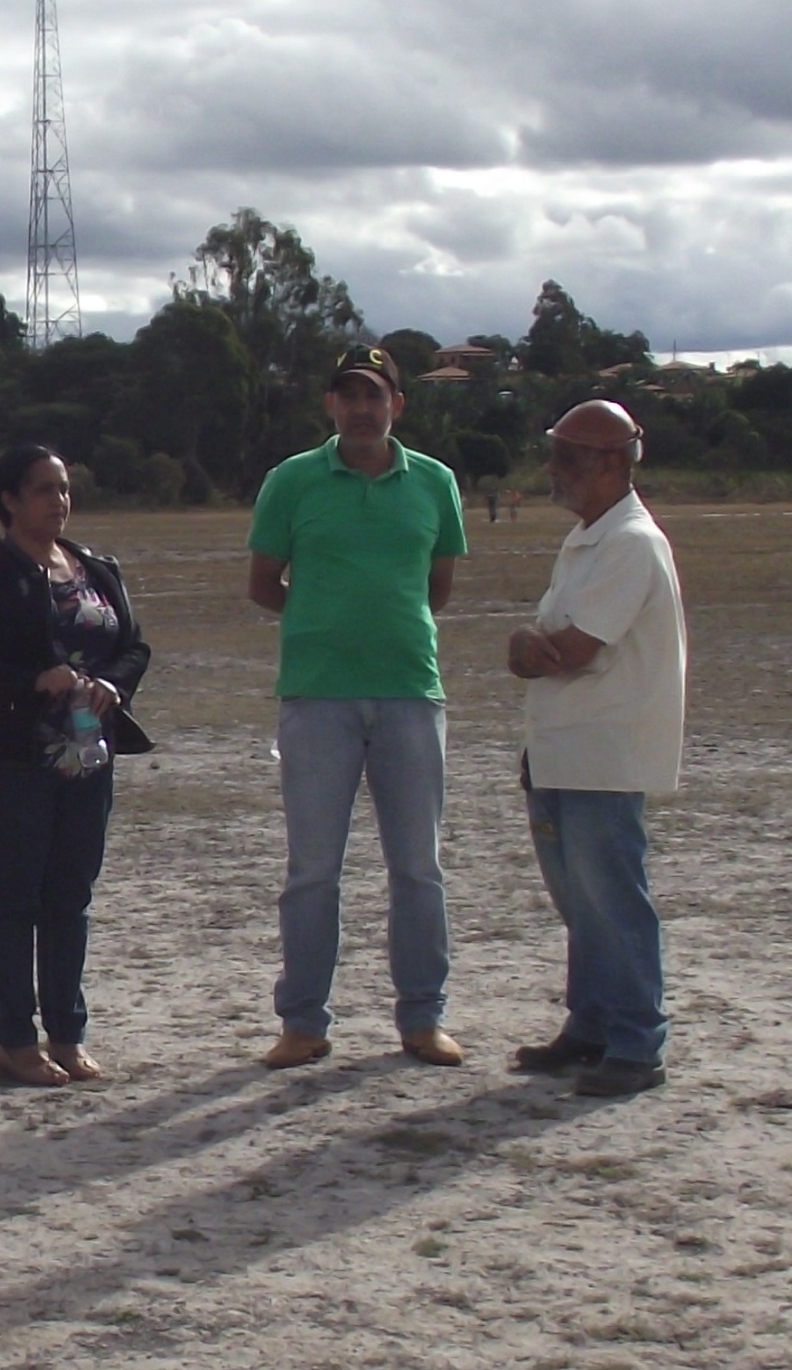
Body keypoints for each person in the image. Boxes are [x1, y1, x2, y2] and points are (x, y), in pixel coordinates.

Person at [244, 344, 469, 1067]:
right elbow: (262, 583)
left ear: (397, 405)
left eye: (376, 396)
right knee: (313, 869)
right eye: (349, 396)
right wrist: (325, 625)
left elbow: (437, 587)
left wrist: (380, 629)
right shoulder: (292, 481)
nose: (363, 409)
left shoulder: (435, 483)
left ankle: (423, 1018)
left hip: (410, 694)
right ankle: (303, 1022)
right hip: (317, 700)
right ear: (330, 406)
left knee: (418, 868)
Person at [0, 443, 151, 1086]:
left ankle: (67, 1032)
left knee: (70, 896)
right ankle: (14, 1041)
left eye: (64, 489)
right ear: (8, 500)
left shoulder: (95, 567)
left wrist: (114, 685)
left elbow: (133, 646)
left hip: (87, 754)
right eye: (43, 490)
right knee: (14, 899)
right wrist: (35, 679)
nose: (58, 501)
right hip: (7, 757)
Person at [505, 399, 688, 1096]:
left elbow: (572, 648)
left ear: (612, 462)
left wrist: (527, 649)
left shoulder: (632, 543)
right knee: (581, 901)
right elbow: (550, 639)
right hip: (563, 748)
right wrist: (530, 644)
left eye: (568, 458)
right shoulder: (591, 537)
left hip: (604, 755)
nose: (553, 471)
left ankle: (637, 1042)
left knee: (612, 899)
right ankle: (591, 1025)